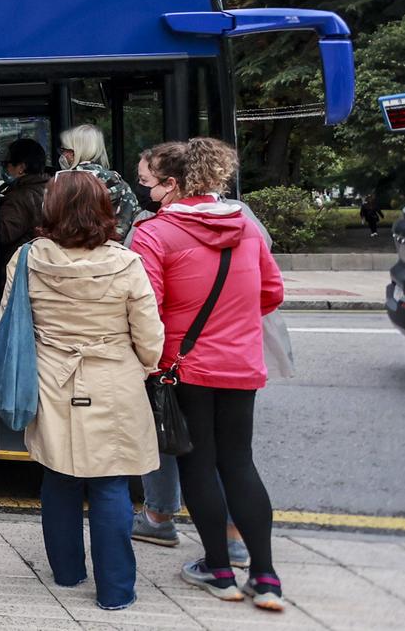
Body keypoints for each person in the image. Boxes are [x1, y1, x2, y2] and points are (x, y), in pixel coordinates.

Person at [129, 138, 285, 611]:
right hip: (241, 364)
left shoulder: (154, 233)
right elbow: (271, 293)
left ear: (172, 184)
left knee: (197, 464)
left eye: (150, 185)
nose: (147, 193)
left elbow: (147, 308)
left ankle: (218, 569)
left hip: (184, 367)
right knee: (239, 462)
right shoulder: (248, 228)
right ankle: (265, 575)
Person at [7, 170, 163, 612]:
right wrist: (148, 364)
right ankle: (115, 591)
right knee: (111, 481)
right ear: (104, 210)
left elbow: (12, 322)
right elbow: (149, 334)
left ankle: (67, 572)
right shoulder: (125, 262)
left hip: (51, 377)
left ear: (50, 210)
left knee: (59, 475)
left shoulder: (27, 259)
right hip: (113, 378)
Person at [58, 125, 140, 240]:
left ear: (74, 152)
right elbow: (135, 218)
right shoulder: (121, 183)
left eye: (64, 150)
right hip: (115, 252)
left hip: (73, 252)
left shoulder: (64, 182)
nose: (63, 155)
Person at [0, 138, 51, 255]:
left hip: (18, 263)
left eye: (6, 164)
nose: (4, 168)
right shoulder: (50, 188)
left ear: (21, 168)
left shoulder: (20, 197)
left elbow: (2, 234)